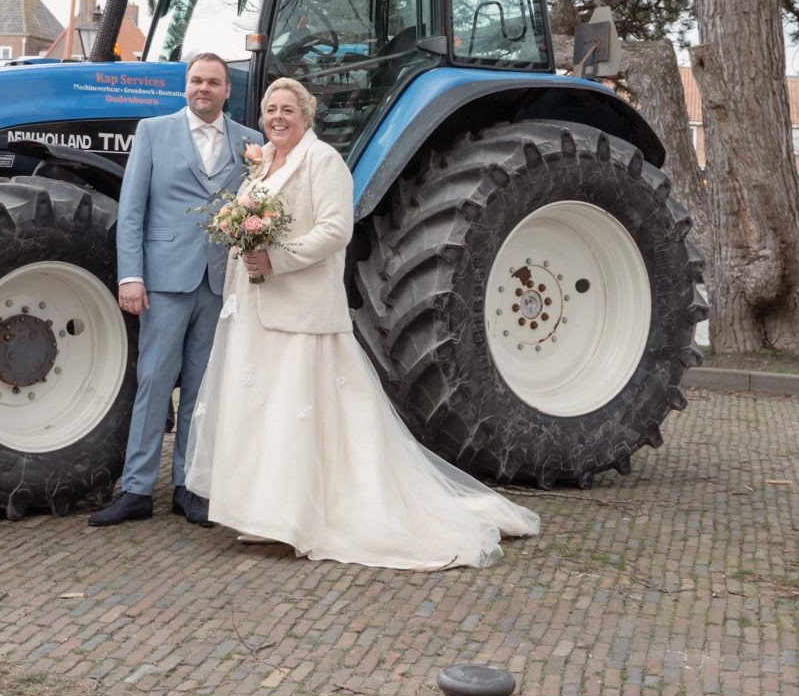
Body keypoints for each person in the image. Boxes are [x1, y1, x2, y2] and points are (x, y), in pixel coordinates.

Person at [185, 78, 540, 569]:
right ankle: (261, 514)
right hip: (255, 307)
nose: (278, 118)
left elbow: (336, 230)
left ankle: (298, 518)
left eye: (288, 109)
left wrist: (277, 259)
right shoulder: (263, 161)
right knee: (262, 409)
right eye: (271, 110)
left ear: (306, 117)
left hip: (300, 309)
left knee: (294, 411)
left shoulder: (323, 161)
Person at [95, 53, 261, 528]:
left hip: (218, 281)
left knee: (201, 388)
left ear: (228, 90)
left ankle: (189, 486)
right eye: (195, 81)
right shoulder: (153, 131)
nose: (203, 89)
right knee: (152, 381)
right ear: (185, 87)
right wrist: (131, 276)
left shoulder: (250, 144)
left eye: (213, 82)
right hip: (164, 280)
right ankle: (137, 488)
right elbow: (132, 212)